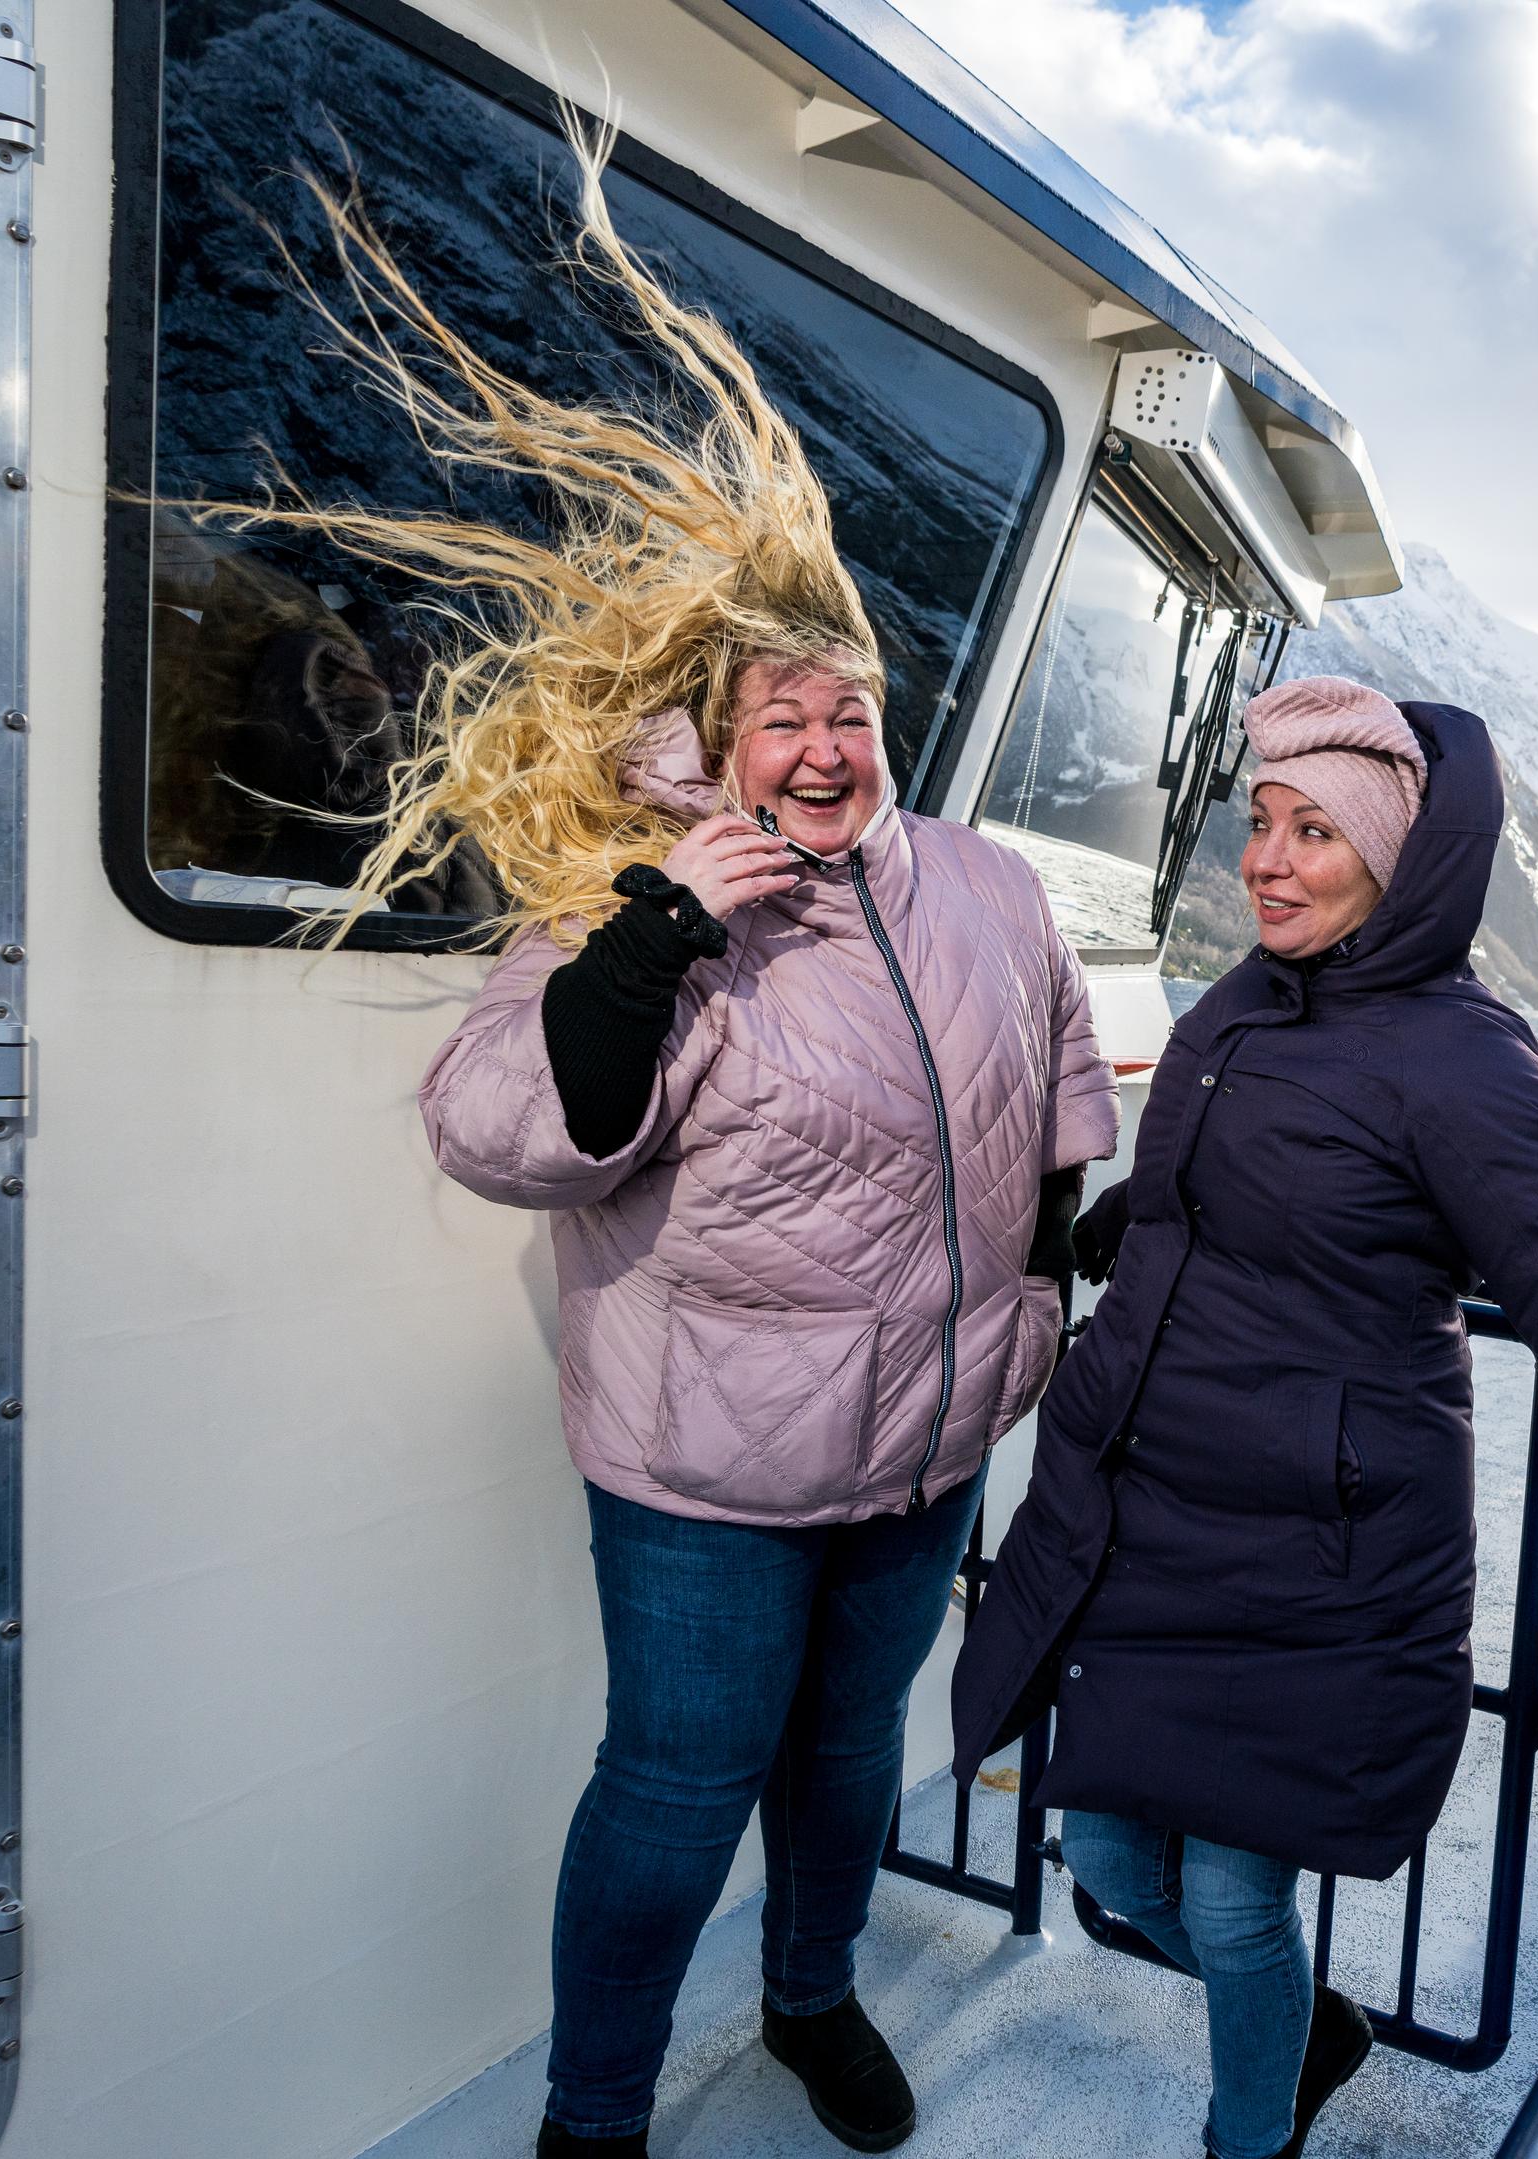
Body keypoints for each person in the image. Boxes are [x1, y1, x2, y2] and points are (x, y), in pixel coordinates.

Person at [232, 149, 1115, 2159]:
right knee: (676, 1781)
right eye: (781, 721)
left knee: (850, 1756)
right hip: (712, 1465)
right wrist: (660, 935)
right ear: (713, 741)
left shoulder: (985, 886)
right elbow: (503, 1132)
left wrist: (1069, 1250)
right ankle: (596, 2116)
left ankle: (810, 1999)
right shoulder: (630, 901)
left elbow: (1056, 1078)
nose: (826, 749)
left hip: (929, 1442)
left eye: (851, 712)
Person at [950, 678, 1538, 2159]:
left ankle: (1249, 2136)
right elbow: (1249, 1174)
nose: (1266, 862)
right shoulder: (1241, 1001)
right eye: (1262, 822)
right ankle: (1313, 2026)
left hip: (1311, 1561)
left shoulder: (1462, 1053)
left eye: (1314, 833)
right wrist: (1147, 1216)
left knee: (1232, 1903)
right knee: (1115, 1864)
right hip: (1154, 1527)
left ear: (1395, 863)